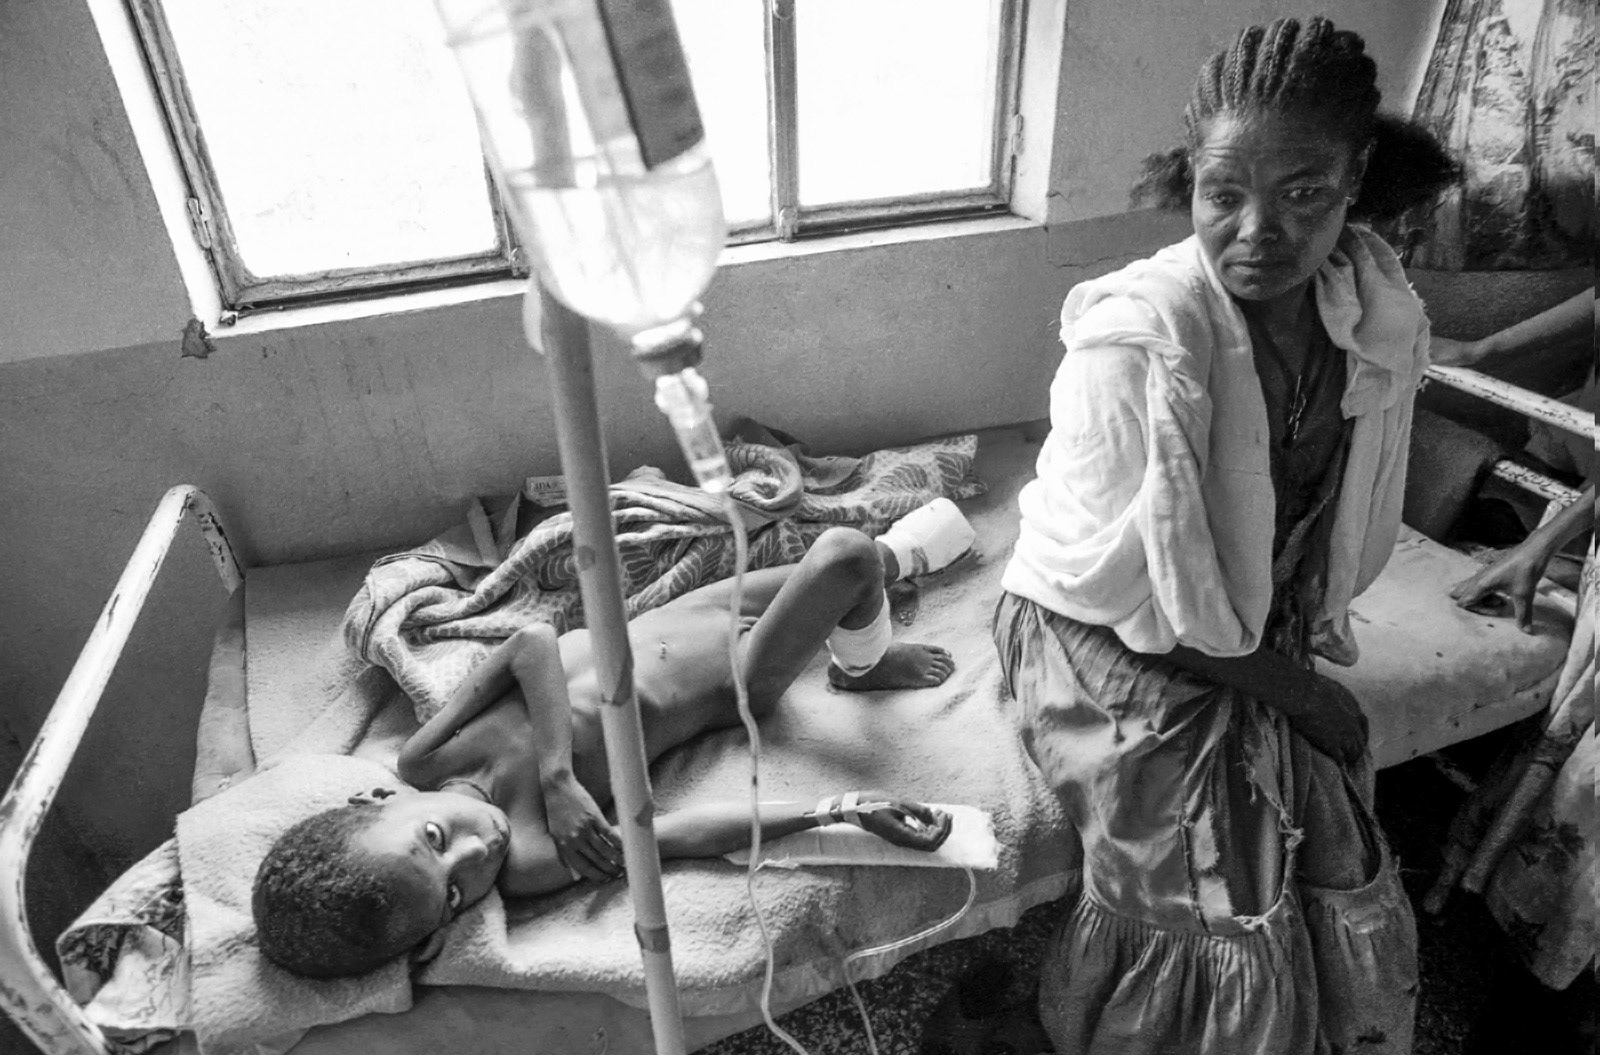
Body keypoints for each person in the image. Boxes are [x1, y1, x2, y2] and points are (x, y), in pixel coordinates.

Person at [992, 17, 1459, 1054]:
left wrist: (1291, 643)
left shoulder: (1366, 309)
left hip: (1236, 615)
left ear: (1354, 180)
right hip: (1100, 624)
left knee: (1326, 825)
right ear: (1191, 181)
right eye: (1223, 193)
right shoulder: (1137, 344)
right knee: (1215, 865)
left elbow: (1314, 511)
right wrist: (1303, 687)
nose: (1258, 231)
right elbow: (1145, 602)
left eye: (1302, 193)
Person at [253, 502, 978, 979]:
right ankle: (864, 664)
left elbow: (533, 643)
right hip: (732, 682)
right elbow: (672, 836)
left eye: (437, 837)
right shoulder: (534, 859)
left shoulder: (426, 756)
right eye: (451, 897)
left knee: (873, 564)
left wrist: (559, 773)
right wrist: (837, 808)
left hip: (695, 611)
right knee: (847, 555)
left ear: (382, 797)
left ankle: (892, 577)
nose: (479, 853)